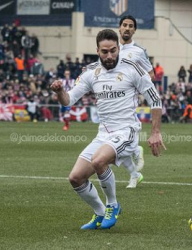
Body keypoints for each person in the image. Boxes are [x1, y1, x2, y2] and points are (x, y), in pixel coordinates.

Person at [50, 29, 165, 230]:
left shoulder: (132, 69)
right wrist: (60, 91)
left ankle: (113, 204)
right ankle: (100, 212)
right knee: (75, 178)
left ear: (118, 48)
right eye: (105, 52)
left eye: (113, 50)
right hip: (103, 135)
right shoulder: (90, 72)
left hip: (126, 131)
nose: (109, 56)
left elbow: (155, 99)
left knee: (99, 160)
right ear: (97, 51)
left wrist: (155, 132)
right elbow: (68, 101)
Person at [118, 15, 155, 188]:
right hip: (110, 99)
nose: (127, 28)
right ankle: (134, 172)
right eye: (124, 25)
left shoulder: (139, 51)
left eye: (130, 26)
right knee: (116, 145)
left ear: (134, 30)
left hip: (128, 98)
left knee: (117, 141)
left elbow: (151, 74)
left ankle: (134, 150)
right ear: (119, 28)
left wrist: (136, 83)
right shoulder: (112, 49)